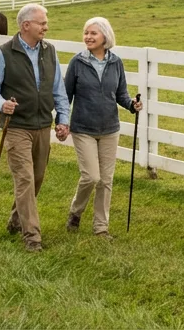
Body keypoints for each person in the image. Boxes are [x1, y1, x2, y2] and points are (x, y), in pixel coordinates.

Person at [0, 3, 71, 252]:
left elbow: (58, 90)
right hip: (17, 126)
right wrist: (1, 104)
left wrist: (63, 120)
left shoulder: (50, 51)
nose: (46, 27)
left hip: (42, 124)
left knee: (37, 178)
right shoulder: (5, 52)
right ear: (26, 25)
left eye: (45, 22)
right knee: (25, 178)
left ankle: (15, 219)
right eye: (42, 23)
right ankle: (32, 237)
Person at [63, 16, 142, 239]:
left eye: (93, 33)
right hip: (83, 128)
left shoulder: (116, 62)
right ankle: (75, 212)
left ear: (105, 36)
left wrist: (131, 105)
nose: (88, 37)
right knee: (91, 177)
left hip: (110, 128)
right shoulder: (77, 62)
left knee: (106, 180)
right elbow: (66, 95)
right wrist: (61, 120)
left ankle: (101, 228)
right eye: (86, 32)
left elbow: (121, 94)